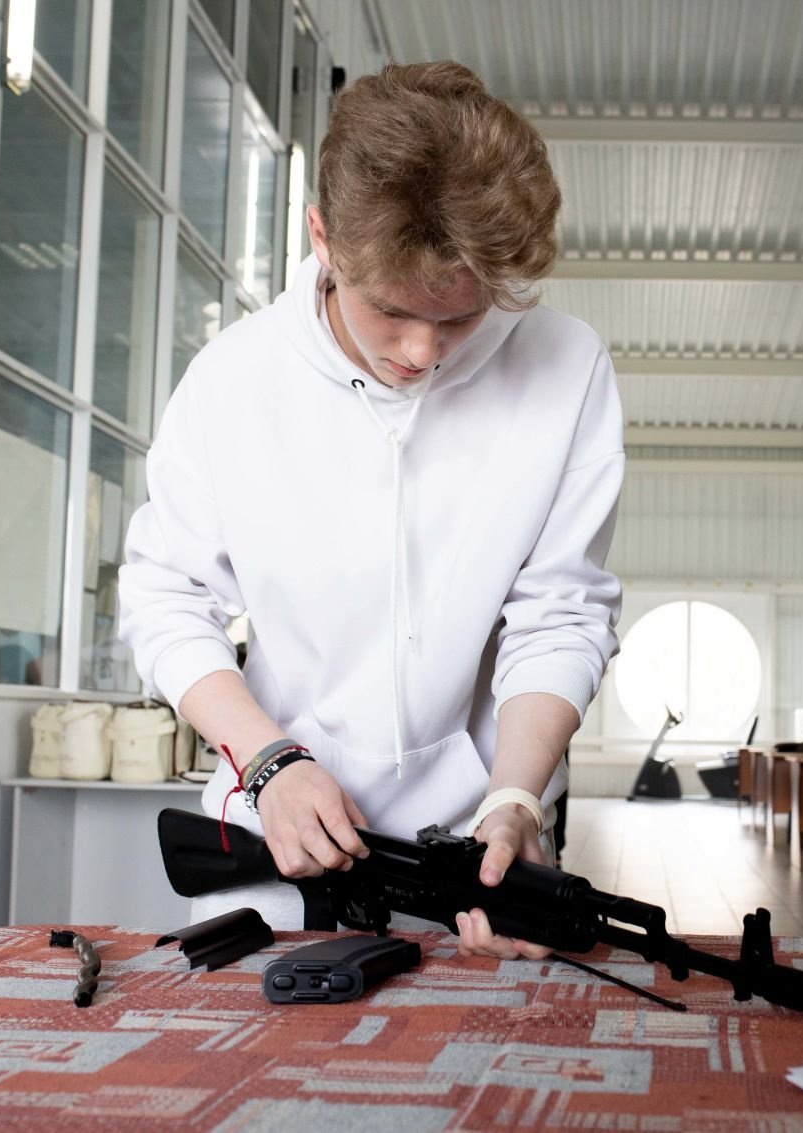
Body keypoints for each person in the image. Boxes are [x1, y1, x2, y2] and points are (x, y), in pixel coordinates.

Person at [119, 62, 622, 961]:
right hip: (275, 836)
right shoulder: (233, 380)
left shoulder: (566, 367)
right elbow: (166, 599)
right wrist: (267, 761)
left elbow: (562, 611)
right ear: (323, 237)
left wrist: (515, 799)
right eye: (392, 310)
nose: (422, 350)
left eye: (461, 317)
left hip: (470, 860)